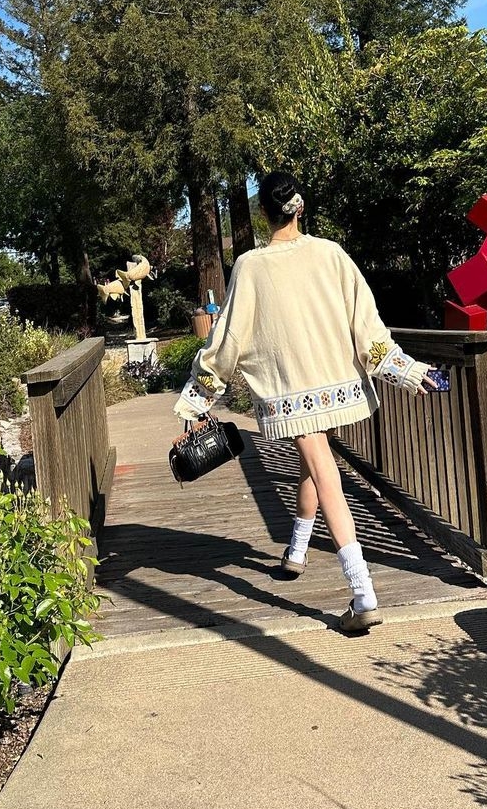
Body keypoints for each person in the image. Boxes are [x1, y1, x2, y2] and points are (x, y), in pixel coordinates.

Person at [174, 171, 440, 633]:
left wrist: (197, 399)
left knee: (320, 469)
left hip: (290, 390)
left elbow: (228, 338)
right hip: (335, 383)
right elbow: (368, 325)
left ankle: (363, 591)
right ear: (300, 208)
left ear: (264, 213)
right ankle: (297, 551)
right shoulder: (332, 254)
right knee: (315, 464)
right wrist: (408, 371)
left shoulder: (251, 266)